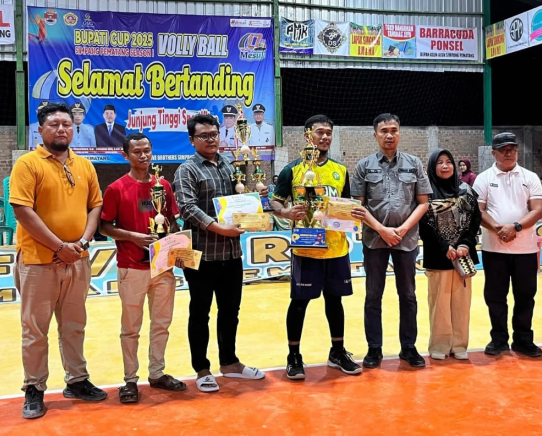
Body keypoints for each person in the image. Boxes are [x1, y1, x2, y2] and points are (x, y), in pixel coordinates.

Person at [9, 102, 107, 420]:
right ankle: (34, 388)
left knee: (75, 326)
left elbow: (95, 206)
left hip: (77, 259)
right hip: (38, 261)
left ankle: (77, 380)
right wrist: (59, 246)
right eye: (54, 124)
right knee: (35, 330)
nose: (61, 129)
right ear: (41, 130)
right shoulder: (28, 164)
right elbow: (22, 211)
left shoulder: (85, 165)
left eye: (66, 123)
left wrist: (82, 243)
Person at [174, 113, 265, 393]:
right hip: (201, 255)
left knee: (230, 311)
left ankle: (229, 362)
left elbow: (240, 200)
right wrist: (220, 228)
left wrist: (254, 207)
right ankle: (202, 369)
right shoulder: (187, 170)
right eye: (204, 136)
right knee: (200, 313)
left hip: (231, 254)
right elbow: (187, 208)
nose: (211, 139)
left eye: (214, 134)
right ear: (192, 140)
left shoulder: (229, 164)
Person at [271, 115, 361, 380]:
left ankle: (337, 352)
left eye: (328, 133)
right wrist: (286, 212)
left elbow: (345, 204)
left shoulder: (340, 170)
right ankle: (294, 356)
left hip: (336, 247)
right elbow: (276, 202)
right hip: (306, 248)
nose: (325, 137)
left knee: (335, 301)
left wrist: (349, 215)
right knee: (299, 302)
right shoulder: (292, 170)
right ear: (307, 135)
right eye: (320, 132)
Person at [100, 133, 187, 404]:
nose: (143, 155)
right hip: (132, 267)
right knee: (131, 327)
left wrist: (179, 247)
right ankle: (130, 379)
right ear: (125, 155)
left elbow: (172, 221)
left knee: (162, 324)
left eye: (147, 150)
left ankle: (157, 373)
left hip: (162, 267)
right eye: (137, 151)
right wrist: (133, 237)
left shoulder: (164, 185)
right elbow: (104, 227)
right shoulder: (116, 189)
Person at [351, 114, 431, 369]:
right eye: (384, 130)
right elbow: (358, 206)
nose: (389, 135)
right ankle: (374, 348)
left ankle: (408, 347)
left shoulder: (414, 163)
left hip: (406, 241)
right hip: (374, 240)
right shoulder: (364, 166)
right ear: (375, 134)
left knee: (408, 295)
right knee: (373, 295)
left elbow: (423, 203)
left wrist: (403, 229)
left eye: (394, 130)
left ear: (399, 133)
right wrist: (382, 230)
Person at [473, 133, 542, 358]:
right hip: (494, 248)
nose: (508, 153)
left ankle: (523, 339)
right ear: (493, 153)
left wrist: (515, 227)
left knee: (526, 295)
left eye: (512, 149)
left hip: (525, 249)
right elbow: (478, 210)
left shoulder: (530, 177)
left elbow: (537, 210)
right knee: (495, 296)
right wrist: (498, 229)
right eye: (503, 149)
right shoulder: (483, 179)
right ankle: (498, 339)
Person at [419, 150, 481, 360]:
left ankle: (459, 345)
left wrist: (465, 244)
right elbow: (424, 225)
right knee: (440, 304)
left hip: (463, 255)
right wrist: (444, 246)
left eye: (448, 162)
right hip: (439, 256)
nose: (445, 166)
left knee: (462, 304)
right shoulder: (425, 192)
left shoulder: (466, 190)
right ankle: (440, 345)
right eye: (440, 162)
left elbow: (475, 220)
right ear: (432, 167)